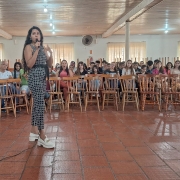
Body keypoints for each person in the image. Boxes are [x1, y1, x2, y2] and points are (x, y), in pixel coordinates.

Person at [23, 26, 54, 148]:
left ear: (40, 36)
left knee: (37, 105)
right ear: (30, 36)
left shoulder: (42, 48)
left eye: (38, 33)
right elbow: (30, 64)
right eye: (34, 33)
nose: (36, 35)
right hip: (34, 77)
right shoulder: (28, 47)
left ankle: (33, 131)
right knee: (40, 105)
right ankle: (41, 135)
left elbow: (49, 64)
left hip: (42, 78)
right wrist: (36, 49)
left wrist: (50, 53)